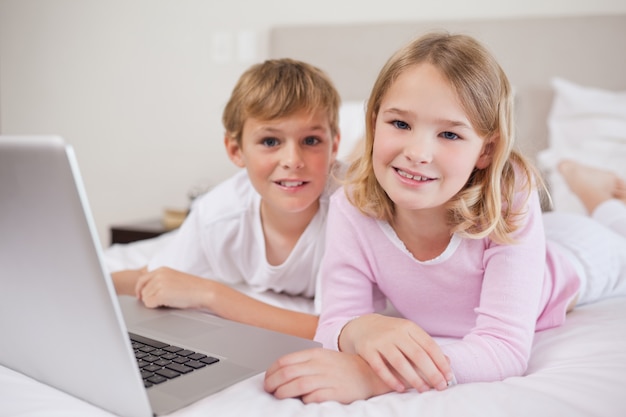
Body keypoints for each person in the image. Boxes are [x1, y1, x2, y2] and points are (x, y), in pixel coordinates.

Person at [263, 32, 626, 404]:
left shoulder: (510, 198)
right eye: (400, 124)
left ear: (485, 151)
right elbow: (335, 323)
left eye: (450, 133)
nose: (418, 152)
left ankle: (590, 188)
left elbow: (503, 349)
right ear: (374, 122)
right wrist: (361, 328)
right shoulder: (350, 207)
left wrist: (374, 376)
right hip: (538, 238)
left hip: (581, 255)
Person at [113, 58, 343, 339]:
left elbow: (336, 331)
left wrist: (211, 294)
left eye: (311, 141)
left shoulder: (349, 212)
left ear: (334, 146)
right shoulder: (218, 213)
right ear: (235, 150)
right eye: (270, 141)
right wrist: (86, 285)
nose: (292, 161)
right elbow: (153, 278)